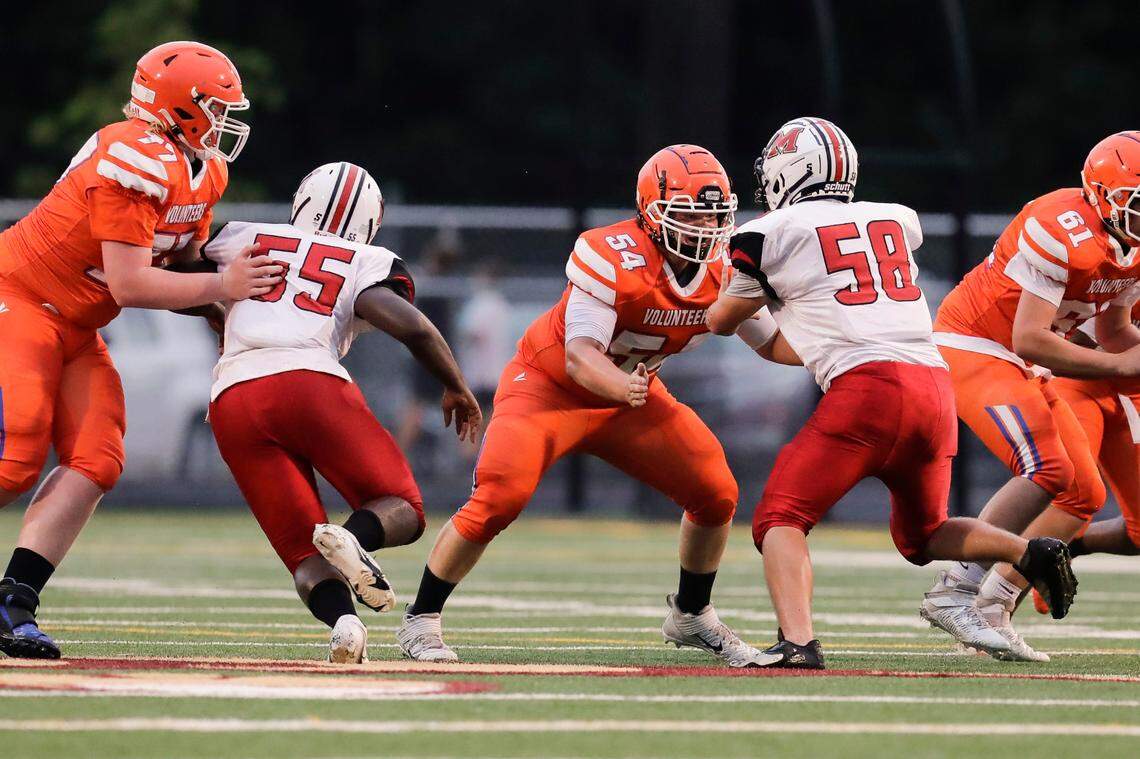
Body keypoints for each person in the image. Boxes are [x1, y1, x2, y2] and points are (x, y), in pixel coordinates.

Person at [398, 144, 792, 667]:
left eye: (713, 214)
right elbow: (581, 356)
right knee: (500, 496)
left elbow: (768, 343)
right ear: (650, 213)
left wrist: (837, 353)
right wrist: (622, 387)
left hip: (629, 394)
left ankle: (692, 612)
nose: (703, 226)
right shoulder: (611, 253)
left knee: (715, 491)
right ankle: (421, 619)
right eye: (689, 213)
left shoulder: (725, 266)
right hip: (550, 387)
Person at [707, 116, 1078, 669]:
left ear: (790, 170)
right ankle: (1026, 550)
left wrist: (716, 284)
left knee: (779, 519)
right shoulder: (894, 220)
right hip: (932, 387)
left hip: (868, 392)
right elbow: (794, 345)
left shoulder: (767, 234)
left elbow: (720, 320)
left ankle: (798, 645)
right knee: (924, 534)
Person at [0, 41, 279, 659]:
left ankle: (13, 603)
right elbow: (131, 283)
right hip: (17, 300)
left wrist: (223, 306)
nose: (226, 123)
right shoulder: (133, 156)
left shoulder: (202, 168)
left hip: (76, 323)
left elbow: (177, 263)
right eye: (216, 108)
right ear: (180, 106)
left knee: (98, 458)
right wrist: (222, 286)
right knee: (16, 456)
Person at [203, 162, 481, 663]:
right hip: (308, 380)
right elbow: (412, 327)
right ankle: (350, 538)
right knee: (401, 506)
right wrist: (455, 385)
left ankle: (345, 626)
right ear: (371, 224)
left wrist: (215, 310)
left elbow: (176, 267)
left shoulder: (243, 234)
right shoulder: (366, 258)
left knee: (305, 556)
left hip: (232, 396)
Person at [921, 131, 1140, 660]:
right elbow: (1030, 337)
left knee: (1081, 494)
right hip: (974, 345)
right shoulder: (1058, 228)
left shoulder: (1127, 245)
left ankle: (991, 609)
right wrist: (1116, 365)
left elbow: (1114, 330)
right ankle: (957, 589)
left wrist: (1129, 356)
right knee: (1047, 469)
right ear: (1102, 194)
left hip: (1024, 360)